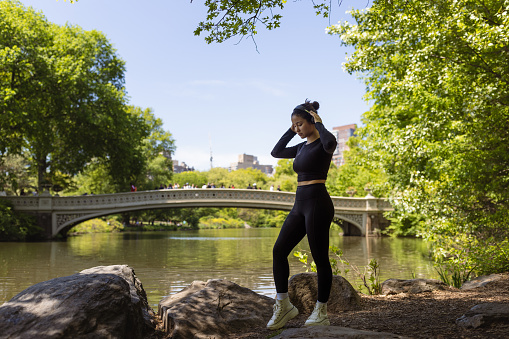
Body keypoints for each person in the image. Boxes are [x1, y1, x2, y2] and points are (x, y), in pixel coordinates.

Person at [267, 100, 337, 330]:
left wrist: (319, 122)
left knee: (320, 259)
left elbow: (330, 141)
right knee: (279, 250)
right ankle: (284, 304)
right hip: (299, 204)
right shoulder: (301, 147)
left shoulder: (323, 144)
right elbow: (276, 152)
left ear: (312, 121)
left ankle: (321, 311)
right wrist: (291, 129)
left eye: (300, 124)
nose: (297, 129)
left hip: (318, 203)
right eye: (294, 126)